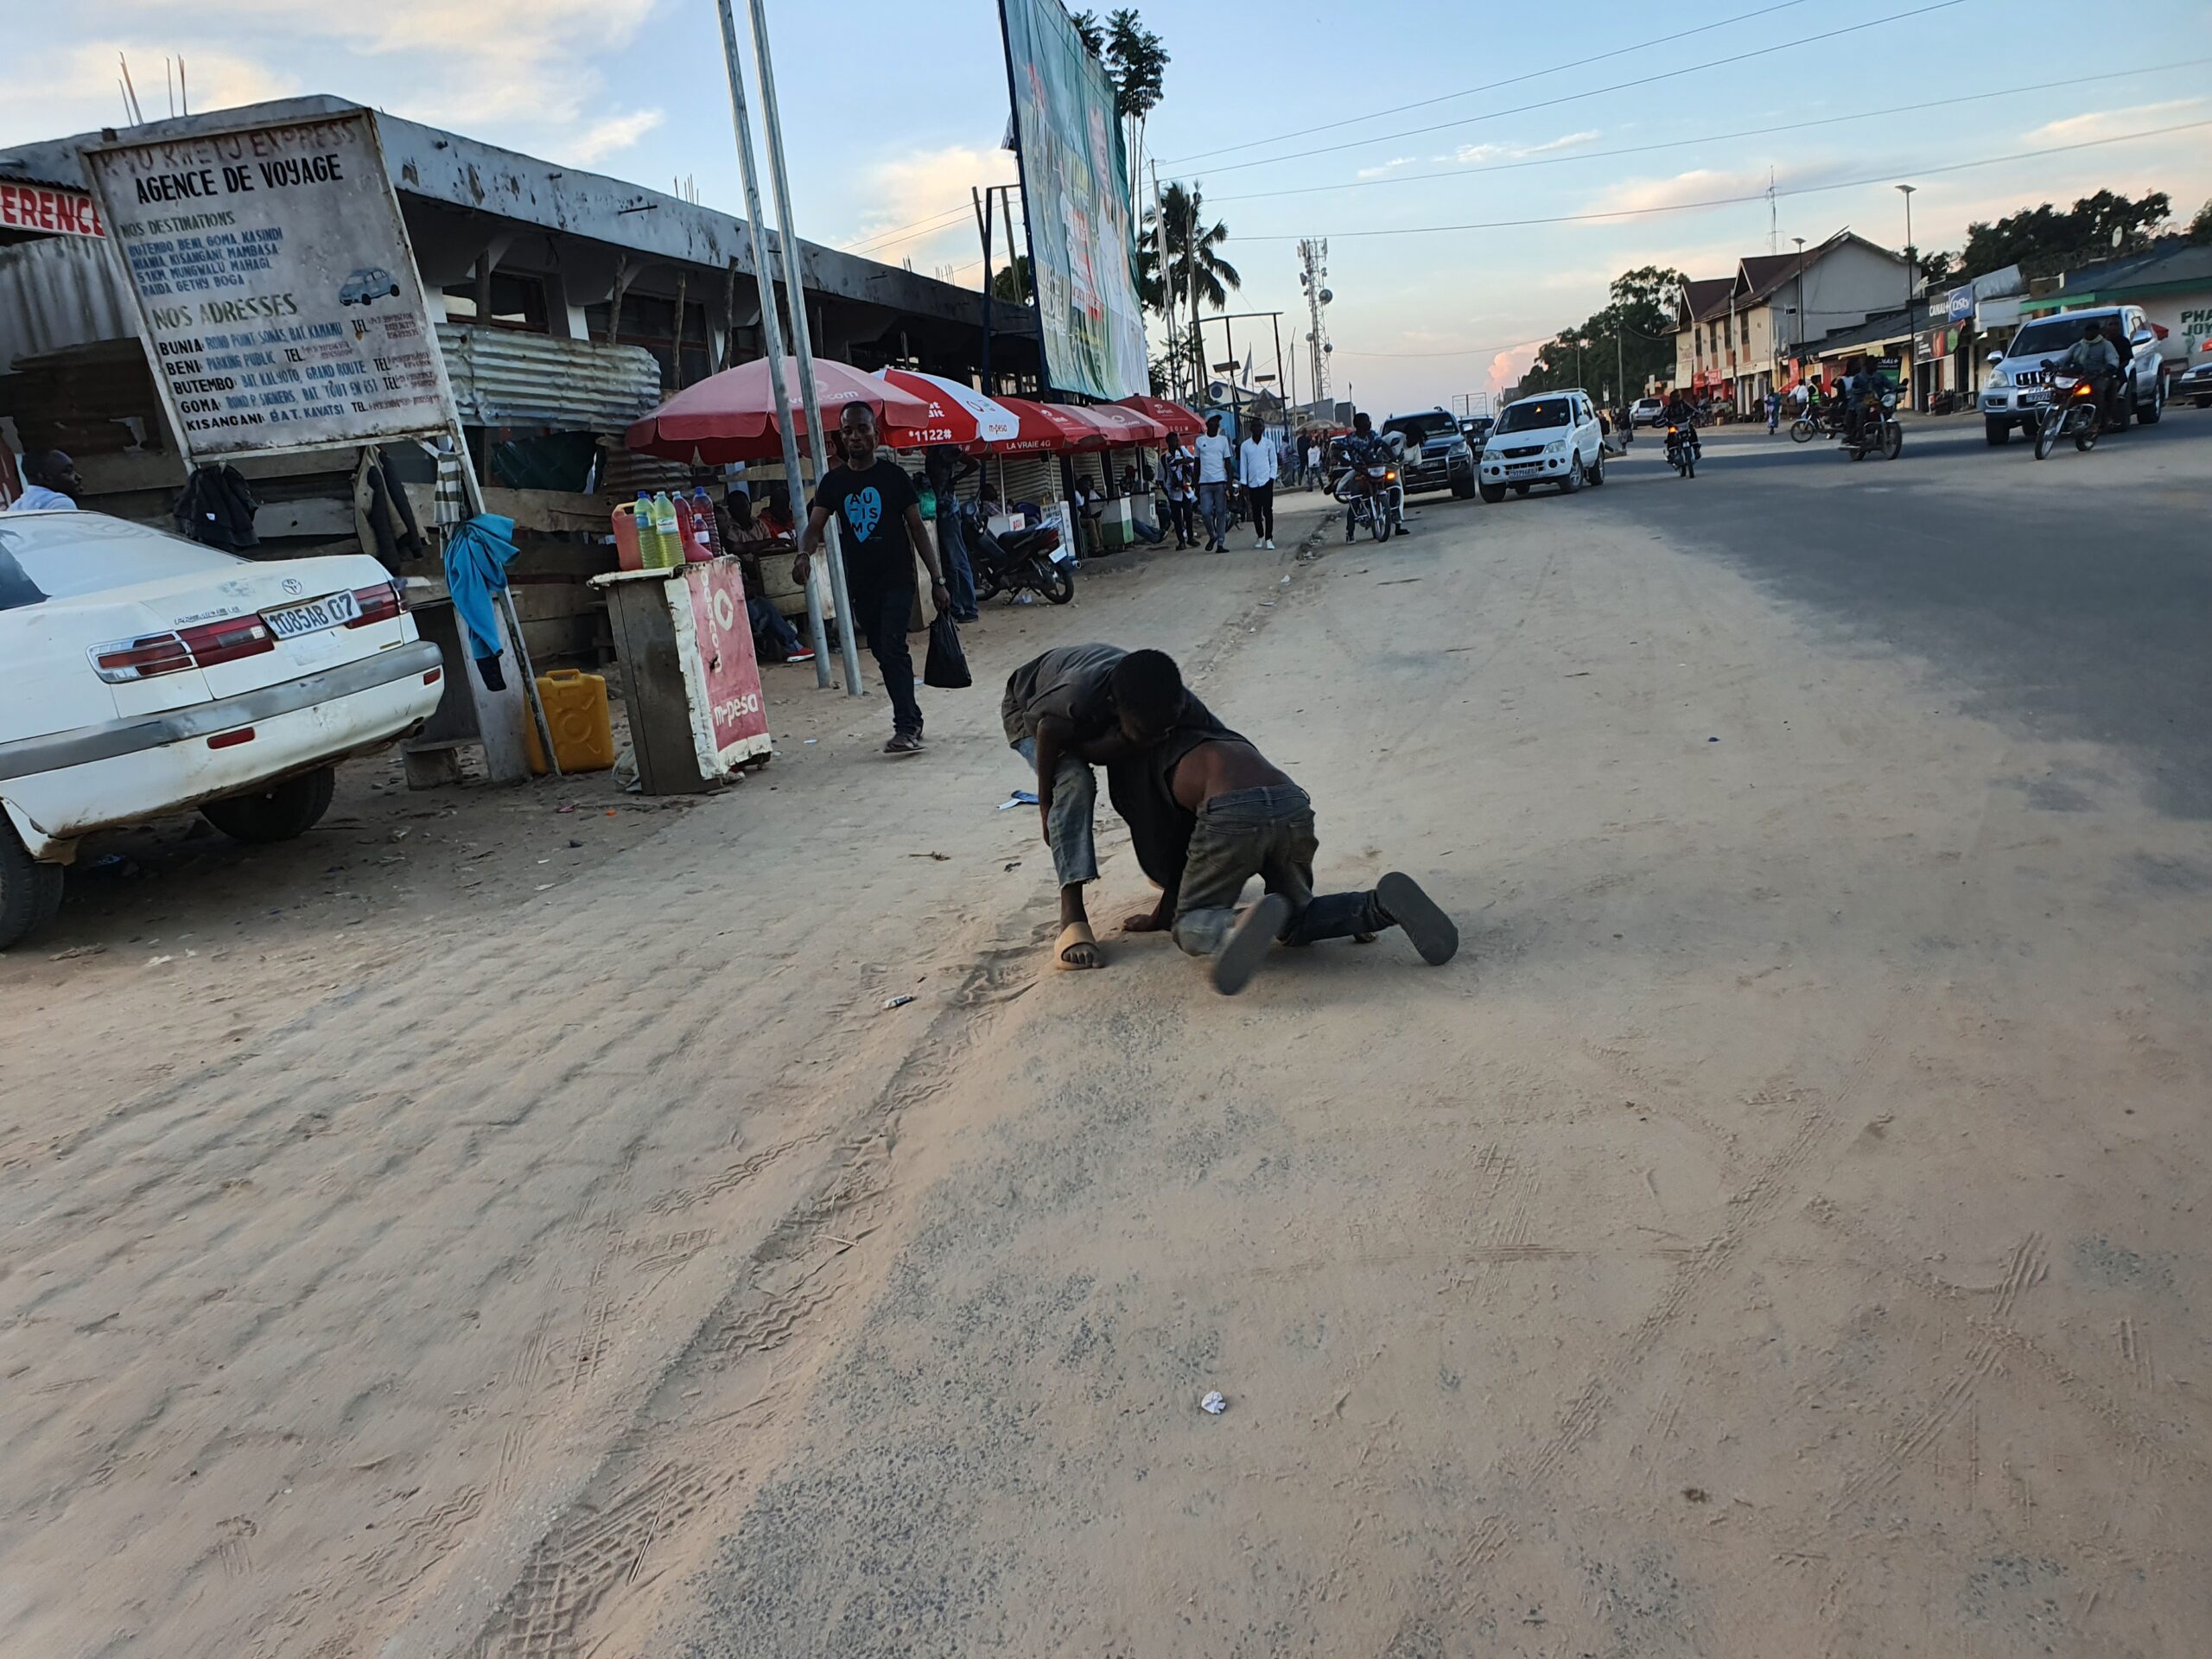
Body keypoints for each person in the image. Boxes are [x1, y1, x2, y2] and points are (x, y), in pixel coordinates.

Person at [1101, 650, 1459, 995]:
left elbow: (1174, 852)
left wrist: (1168, 913)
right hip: (1291, 802)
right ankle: (1377, 906)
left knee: (1190, 926)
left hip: (1230, 810)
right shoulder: (1211, 732)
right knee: (1297, 917)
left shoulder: (1142, 755)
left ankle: (1237, 923)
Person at [794, 402, 950, 755]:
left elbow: (917, 530)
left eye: (862, 428)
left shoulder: (894, 478)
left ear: (875, 434)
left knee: (893, 648)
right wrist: (803, 553)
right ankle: (913, 715)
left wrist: (937, 580)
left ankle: (906, 728)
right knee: (883, 651)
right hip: (862, 585)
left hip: (897, 579)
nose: (855, 436)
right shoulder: (833, 482)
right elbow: (814, 526)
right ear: (840, 438)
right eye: (848, 430)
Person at [1001, 643, 1131, 970]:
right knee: (1074, 780)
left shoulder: (1168, 696)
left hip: (1092, 709)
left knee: (1148, 763)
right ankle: (1072, 913)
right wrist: (1046, 803)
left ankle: (1166, 870)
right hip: (1032, 709)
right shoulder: (1077, 697)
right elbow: (1048, 729)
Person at [720, 488, 815, 665]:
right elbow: (740, 550)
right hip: (745, 580)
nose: (742, 510)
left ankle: (795, 643)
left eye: (744, 505)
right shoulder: (729, 534)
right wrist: (770, 542)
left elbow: (767, 553)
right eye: (737, 507)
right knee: (766, 604)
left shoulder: (758, 525)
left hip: (765, 572)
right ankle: (793, 646)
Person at [923, 445, 982, 623]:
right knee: (949, 562)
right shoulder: (934, 449)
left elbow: (974, 463)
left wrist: (954, 480)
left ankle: (969, 608)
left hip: (947, 508)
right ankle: (956, 607)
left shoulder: (944, 448)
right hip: (941, 507)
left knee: (957, 559)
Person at [2061, 320, 2124, 426]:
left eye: (2093, 330)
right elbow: (2063, 359)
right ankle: (2061, 417)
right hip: (2079, 377)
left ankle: (2099, 419)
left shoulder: (2106, 345)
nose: (2090, 333)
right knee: (2062, 391)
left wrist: (2110, 366)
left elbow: (2113, 359)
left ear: (2098, 331)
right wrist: (2051, 364)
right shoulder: (2078, 346)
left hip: (2099, 376)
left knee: (2097, 390)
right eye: (2088, 330)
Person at [1192, 413, 1232, 552]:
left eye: (1217, 423)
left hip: (1220, 481)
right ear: (1207, 425)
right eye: (1213, 422)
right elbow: (1196, 464)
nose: (1215, 425)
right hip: (1204, 483)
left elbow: (1227, 462)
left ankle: (1220, 543)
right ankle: (1213, 535)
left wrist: (1229, 483)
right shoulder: (1199, 441)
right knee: (1206, 513)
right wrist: (1195, 483)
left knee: (1221, 513)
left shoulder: (1223, 440)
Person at [1237, 416, 1277, 550]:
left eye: (1259, 426)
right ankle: (1260, 537)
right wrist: (1244, 483)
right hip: (1252, 484)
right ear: (1251, 428)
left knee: (1268, 511)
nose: (1257, 429)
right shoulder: (1245, 446)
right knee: (1256, 512)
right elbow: (1243, 466)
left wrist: (1272, 478)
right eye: (1254, 426)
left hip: (1266, 482)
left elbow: (1274, 462)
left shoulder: (1268, 444)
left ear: (1263, 428)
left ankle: (1269, 538)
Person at [7, 450, 81, 512]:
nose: (78, 477)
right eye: (68, 471)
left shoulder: (14, 508)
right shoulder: (60, 503)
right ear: (46, 478)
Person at [1160, 434, 1197, 549]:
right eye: (1175, 441)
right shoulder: (1164, 458)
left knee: (1188, 514)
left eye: (1177, 441)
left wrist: (1179, 462)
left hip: (1185, 489)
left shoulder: (1182, 451)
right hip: (1173, 491)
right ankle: (1181, 541)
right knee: (1177, 518)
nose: (1177, 443)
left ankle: (1190, 538)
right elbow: (1161, 477)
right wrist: (1165, 490)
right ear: (1169, 442)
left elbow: (1192, 459)